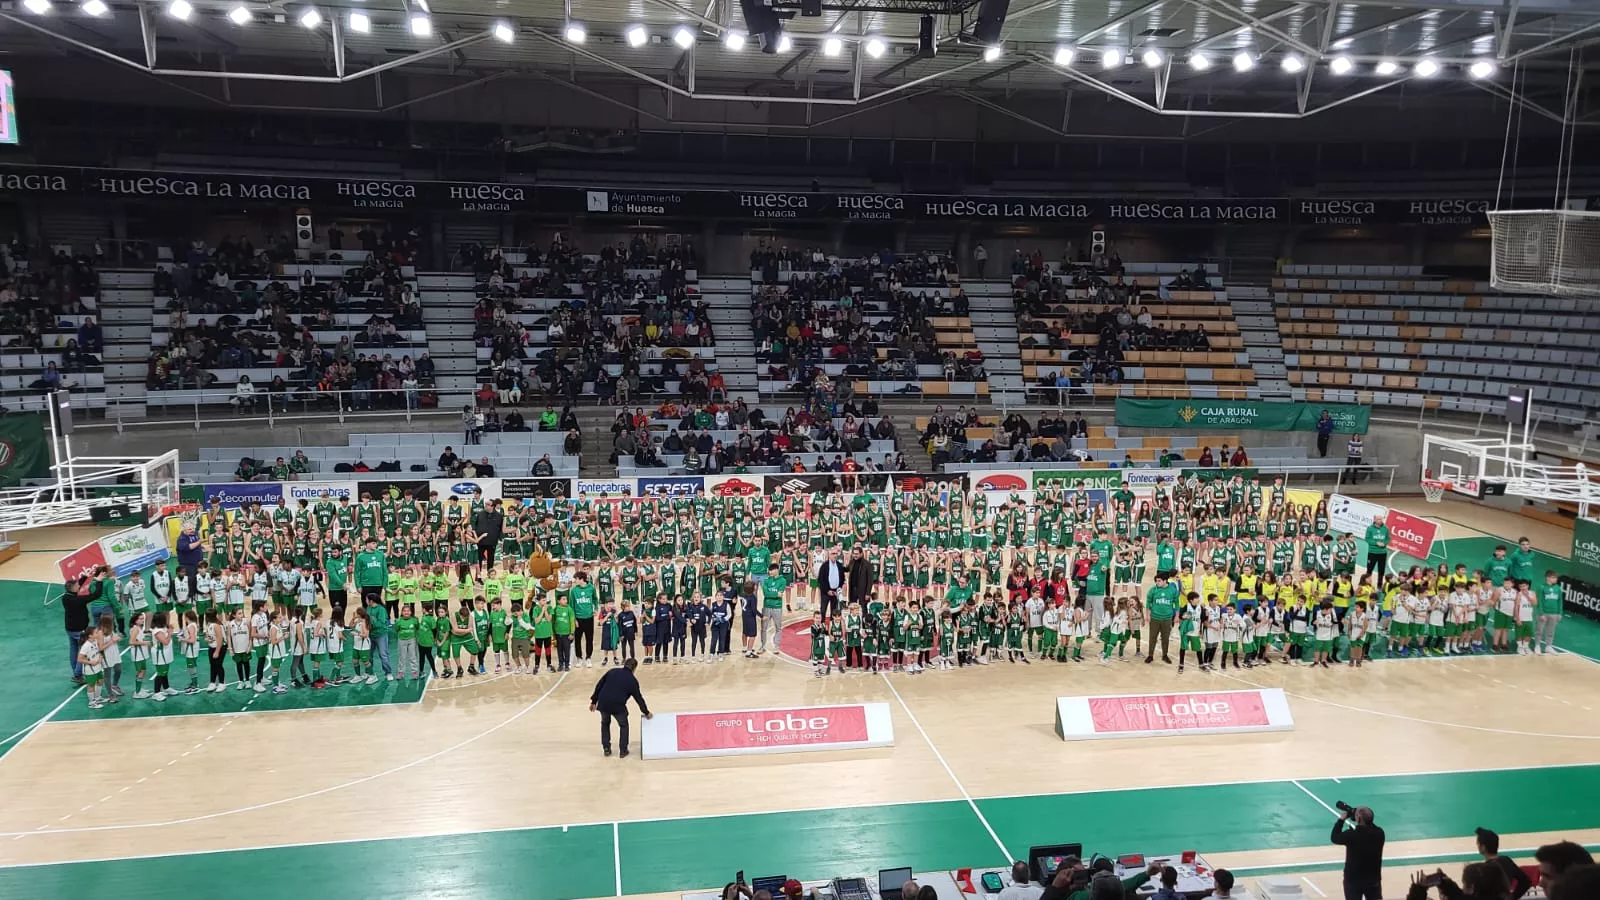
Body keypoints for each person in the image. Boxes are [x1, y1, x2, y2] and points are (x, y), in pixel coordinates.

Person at [589, 657, 652, 758]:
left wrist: (593, 701)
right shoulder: (632, 681)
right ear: (634, 668)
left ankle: (606, 748)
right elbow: (639, 699)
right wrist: (646, 712)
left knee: (605, 723)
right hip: (618, 706)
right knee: (623, 725)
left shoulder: (612, 671)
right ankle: (623, 750)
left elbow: (599, 685)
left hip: (603, 702)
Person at [1332, 805, 1386, 900]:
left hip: (1353, 881)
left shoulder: (1351, 835)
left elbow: (1335, 837)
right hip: (1373, 880)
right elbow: (1370, 827)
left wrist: (1341, 820)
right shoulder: (1380, 833)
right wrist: (1360, 818)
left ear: (1359, 819)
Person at [1475, 827, 1533, 900]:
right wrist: (1513, 897)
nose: (1477, 846)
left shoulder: (1483, 869)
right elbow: (1526, 881)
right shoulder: (1506, 860)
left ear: (1483, 847)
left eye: (1478, 844)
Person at [816, 549, 846, 620]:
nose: (835, 555)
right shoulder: (824, 566)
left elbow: (842, 578)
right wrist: (827, 591)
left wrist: (839, 589)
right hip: (826, 592)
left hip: (835, 592)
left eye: (836, 553)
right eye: (833, 554)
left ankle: (833, 627)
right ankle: (822, 626)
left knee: (834, 611)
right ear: (829, 555)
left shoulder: (839, 565)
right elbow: (820, 580)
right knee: (823, 610)